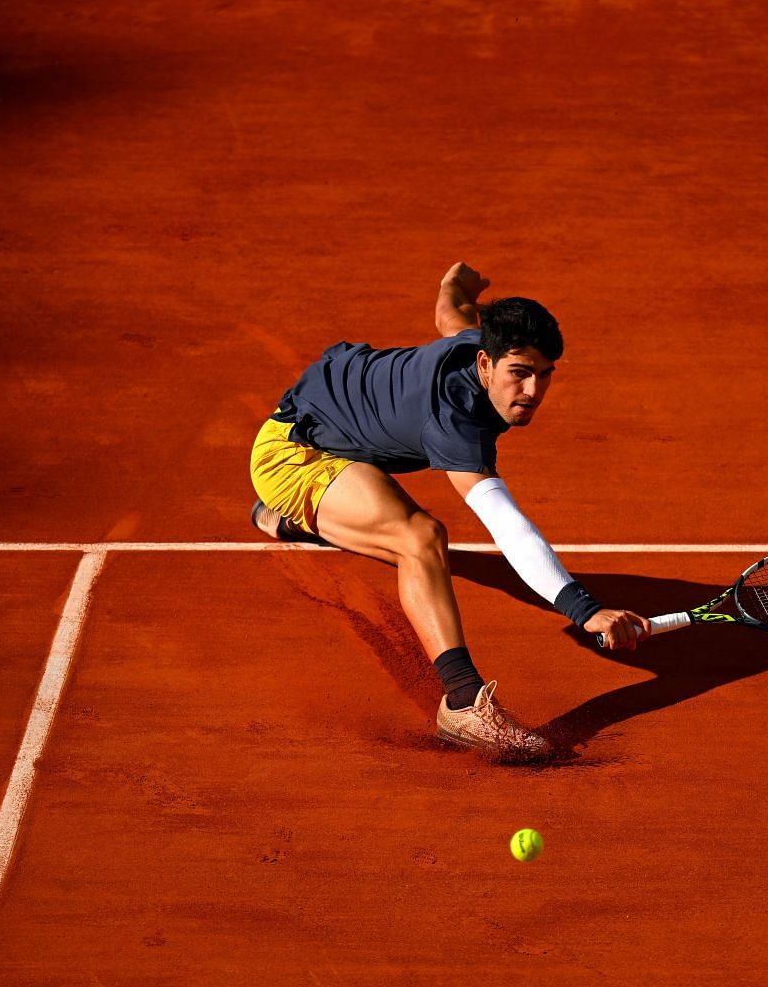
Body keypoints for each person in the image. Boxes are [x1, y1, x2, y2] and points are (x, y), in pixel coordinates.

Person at [248, 262, 649, 760]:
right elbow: (506, 524)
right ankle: (461, 705)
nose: (533, 393)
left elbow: (450, 310)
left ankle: (291, 520)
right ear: (484, 365)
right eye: (519, 374)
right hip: (294, 452)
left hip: (345, 433)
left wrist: (457, 282)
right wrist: (583, 610)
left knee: (400, 527)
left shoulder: (475, 339)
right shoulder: (454, 418)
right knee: (419, 537)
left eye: (544, 375)